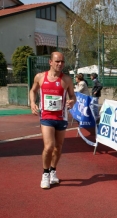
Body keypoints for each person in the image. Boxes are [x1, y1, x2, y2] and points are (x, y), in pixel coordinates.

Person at [30, 51, 76, 189]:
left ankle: (53, 170)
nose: (60, 64)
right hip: (46, 117)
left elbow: (73, 96)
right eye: (57, 61)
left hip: (61, 117)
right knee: (49, 146)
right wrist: (32, 103)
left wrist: (72, 101)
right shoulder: (40, 77)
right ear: (50, 62)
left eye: (62, 62)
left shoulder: (66, 79)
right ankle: (45, 173)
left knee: (58, 147)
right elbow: (33, 90)